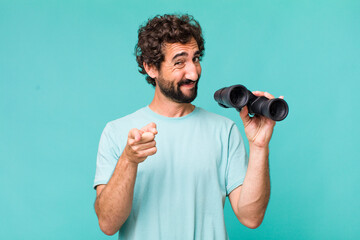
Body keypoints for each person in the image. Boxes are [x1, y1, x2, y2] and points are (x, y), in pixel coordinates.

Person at [94, 14, 281, 239]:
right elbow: (107, 224)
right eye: (180, 62)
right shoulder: (116, 132)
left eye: (196, 58)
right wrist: (129, 160)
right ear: (151, 67)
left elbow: (251, 217)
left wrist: (260, 146)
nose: (193, 73)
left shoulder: (224, 131)